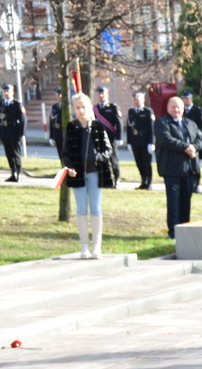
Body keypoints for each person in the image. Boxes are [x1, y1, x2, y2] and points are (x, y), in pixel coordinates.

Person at [61, 93, 114, 259]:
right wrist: (69, 167)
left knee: (96, 208)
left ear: (89, 107)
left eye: (83, 107)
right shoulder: (71, 127)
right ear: (74, 109)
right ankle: (84, 246)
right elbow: (65, 152)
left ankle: (96, 246)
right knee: (81, 209)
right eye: (77, 107)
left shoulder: (97, 127)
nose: (81, 110)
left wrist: (98, 157)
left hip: (95, 172)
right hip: (77, 174)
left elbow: (108, 150)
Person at [154, 96, 202, 239]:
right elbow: (166, 140)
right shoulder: (161, 123)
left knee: (186, 201)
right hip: (172, 169)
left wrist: (194, 147)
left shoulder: (190, 123)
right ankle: (173, 232)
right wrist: (186, 147)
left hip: (189, 170)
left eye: (179, 107)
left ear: (183, 109)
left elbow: (201, 139)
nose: (176, 110)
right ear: (168, 108)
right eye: (173, 107)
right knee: (174, 202)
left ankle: (185, 228)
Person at [0, 84, 26, 182]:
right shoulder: (1, 104)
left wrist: (20, 133)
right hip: (4, 132)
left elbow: (23, 119)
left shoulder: (17, 104)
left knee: (16, 153)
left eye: (8, 91)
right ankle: (13, 173)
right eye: (4, 91)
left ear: (12, 92)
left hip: (14, 132)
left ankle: (18, 173)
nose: (6, 93)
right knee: (8, 153)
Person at [93, 87, 122, 187]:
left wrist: (119, 138)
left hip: (111, 138)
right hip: (99, 138)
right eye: (99, 94)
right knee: (103, 160)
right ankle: (106, 180)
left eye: (103, 93)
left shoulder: (113, 107)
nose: (101, 96)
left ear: (107, 94)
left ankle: (117, 178)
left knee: (113, 160)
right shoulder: (95, 109)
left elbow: (119, 124)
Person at [127, 91, 156, 190]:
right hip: (135, 141)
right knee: (139, 162)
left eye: (138, 99)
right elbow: (128, 128)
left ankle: (149, 182)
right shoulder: (131, 111)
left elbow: (151, 128)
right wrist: (129, 142)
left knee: (146, 163)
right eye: (135, 100)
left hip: (145, 141)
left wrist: (151, 142)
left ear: (143, 100)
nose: (136, 102)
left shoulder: (148, 111)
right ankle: (143, 181)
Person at [48, 87, 63, 156]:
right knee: (60, 153)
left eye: (60, 94)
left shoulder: (69, 106)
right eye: (57, 94)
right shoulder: (54, 107)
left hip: (65, 133)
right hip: (57, 133)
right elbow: (51, 122)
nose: (59, 96)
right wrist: (51, 136)